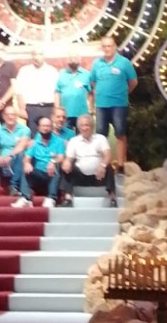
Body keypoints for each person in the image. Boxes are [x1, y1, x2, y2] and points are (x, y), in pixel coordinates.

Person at [91, 34, 137, 170]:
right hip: (101, 105)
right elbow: (93, 82)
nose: (107, 49)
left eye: (109, 46)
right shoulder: (97, 63)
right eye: (104, 46)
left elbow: (133, 82)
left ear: (115, 47)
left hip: (119, 104)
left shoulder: (124, 63)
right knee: (100, 136)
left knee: (120, 133)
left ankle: (121, 164)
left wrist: (124, 93)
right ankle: (104, 164)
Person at [58, 112, 118, 207]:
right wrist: (67, 162)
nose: (85, 128)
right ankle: (67, 198)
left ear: (92, 126)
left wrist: (102, 166)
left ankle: (112, 198)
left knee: (108, 166)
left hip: (98, 176)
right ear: (79, 127)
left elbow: (107, 155)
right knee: (67, 166)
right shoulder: (74, 141)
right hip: (80, 176)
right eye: (82, 125)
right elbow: (69, 158)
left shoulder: (100, 138)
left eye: (87, 125)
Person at [0, 100, 31, 201]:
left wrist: (10, 156)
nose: (10, 117)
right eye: (8, 115)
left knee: (21, 155)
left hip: (15, 162)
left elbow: (22, 145)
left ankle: (13, 186)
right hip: (1, 162)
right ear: (3, 116)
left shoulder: (24, 130)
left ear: (16, 116)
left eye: (13, 114)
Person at [22, 113, 68, 204]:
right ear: (38, 128)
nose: (46, 128)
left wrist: (53, 161)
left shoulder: (59, 141)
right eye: (43, 126)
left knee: (56, 166)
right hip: (39, 175)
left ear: (51, 127)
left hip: (52, 175)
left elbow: (61, 157)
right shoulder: (34, 142)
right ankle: (25, 198)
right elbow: (27, 157)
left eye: (48, 126)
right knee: (25, 167)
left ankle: (51, 198)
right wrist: (27, 163)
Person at [14, 46, 58, 135]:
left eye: (40, 54)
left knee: (49, 135)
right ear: (31, 56)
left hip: (48, 108)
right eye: (35, 54)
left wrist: (56, 110)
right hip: (31, 109)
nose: (37, 57)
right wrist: (22, 109)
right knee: (33, 136)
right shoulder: (24, 71)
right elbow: (19, 91)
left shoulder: (52, 71)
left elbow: (56, 92)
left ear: (44, 56)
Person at [55, 54, 93, 133]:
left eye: (75, 57)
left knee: (82, 139)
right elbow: (57, 93)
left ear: (80, 59)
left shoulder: (86, 74)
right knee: (65, 138)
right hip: (65, 115)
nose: (73, 59)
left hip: (82, 114)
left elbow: (91, 93)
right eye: (71, 57)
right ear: (67, 60)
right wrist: (57, 109)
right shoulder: (61, 74)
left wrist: (91, 109)